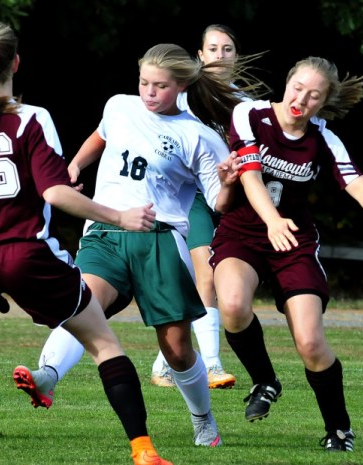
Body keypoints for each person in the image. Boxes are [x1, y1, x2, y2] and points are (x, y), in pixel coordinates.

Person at [0, 20, 172, 465]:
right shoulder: (31, 118)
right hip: (27, 253)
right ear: (16, 62)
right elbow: (54, 192)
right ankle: (143, 451)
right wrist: (119, 215)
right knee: (105, 344)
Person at [12, 43, 263, 448]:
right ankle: (47, 376)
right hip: (106, 232)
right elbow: (100, 136)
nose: (148, 91)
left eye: (160, 86)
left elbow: (219, 203)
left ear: (181, 86)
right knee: (82, 302)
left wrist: (230, 183)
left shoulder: (197, 135)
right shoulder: (120, 106)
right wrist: (75, 165)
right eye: (144, 82)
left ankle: (204, 420)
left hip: (160, 239)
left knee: (177, 348)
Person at [209, 56, 363, 452]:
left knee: (311, 343)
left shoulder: (324, 139)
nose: (302, 99)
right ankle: (265, 380)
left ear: (324, 102)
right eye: (298, 88)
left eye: (314, 95)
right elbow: (248, 175)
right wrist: (271, 221)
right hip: (244, 234)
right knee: (231, 305)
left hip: (294, 243)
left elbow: (353, 178)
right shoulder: (251, 115)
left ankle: (339, 430)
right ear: (287, 83)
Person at [151, 23, 244, 390]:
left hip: (223, 197)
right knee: (205, 275)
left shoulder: (243, 102)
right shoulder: (185, 97)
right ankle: (211, 365)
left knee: (197, 281)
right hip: (187, 196)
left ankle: (162, 366)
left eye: (227, 49)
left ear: (236, 57)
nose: (220, 55)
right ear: (200, 56)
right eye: (213, 48)